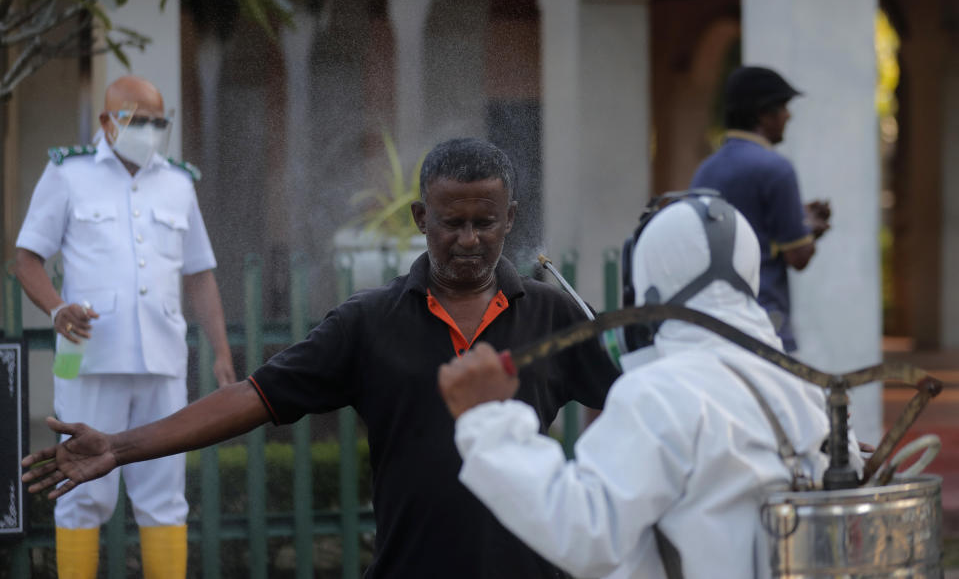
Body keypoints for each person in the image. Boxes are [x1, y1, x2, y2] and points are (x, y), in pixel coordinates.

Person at [22, 137, 621, 578]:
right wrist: (118, 447)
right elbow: (253, 397)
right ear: (420, 219)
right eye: (452, 222)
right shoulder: (369, 322)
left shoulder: (555, 315)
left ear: (510, 219)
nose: (469, 239)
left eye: (486, 223)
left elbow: (622, 406)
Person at [437, 193, 862, 578]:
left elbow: (584, 532)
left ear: (647, 280)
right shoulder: (806, 389)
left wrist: (487, 420)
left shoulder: (660, 394)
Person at [14, 75, 235, 579]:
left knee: (164, 493)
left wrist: (220, 350)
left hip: (162, 359)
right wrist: (55, 308)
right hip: (86, 354)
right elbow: (27, 259)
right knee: (81, 491)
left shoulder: (178, 182)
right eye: (140, 121)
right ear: (107, 122)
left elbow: (199, 274)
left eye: (160, 122)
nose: (152, 130)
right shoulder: (68, 174)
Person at [691, 65, 830, 352]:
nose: (788, 115)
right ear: (762, 113)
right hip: (763, 321)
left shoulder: (706, 171)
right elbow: (798, 256)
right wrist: (811, 230)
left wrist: (797, 216)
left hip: (711, 321)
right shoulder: (776, 168)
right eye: (782, 107)